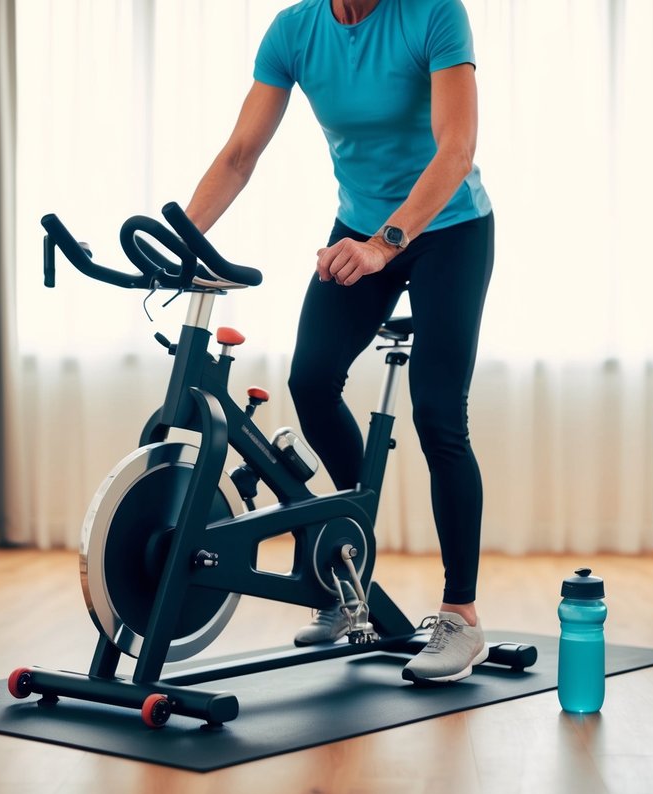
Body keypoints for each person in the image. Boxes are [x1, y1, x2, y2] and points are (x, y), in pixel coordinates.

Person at [184, 0, 495, 684]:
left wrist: (387, 244)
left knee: (440, 415)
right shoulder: (294, 31)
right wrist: (182, 241)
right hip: (358, 225)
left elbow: (457, 148)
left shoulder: (433, 14)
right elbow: (239, 155)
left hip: (448, 230)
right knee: (311, 380)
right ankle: (349, 557)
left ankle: (460, 616)